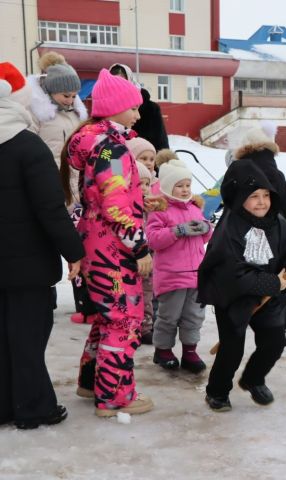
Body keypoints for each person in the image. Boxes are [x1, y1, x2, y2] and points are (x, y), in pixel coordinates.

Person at [61, 68, 154, 416]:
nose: (138, 114)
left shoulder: (97, 144)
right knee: (124, 320)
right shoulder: (111, 150)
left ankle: (90, 382)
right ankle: (114, 396)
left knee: (106, 318)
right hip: (113, 250)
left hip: (96, 244)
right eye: (133, 107)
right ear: (115, 108)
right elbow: (117, 207)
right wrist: (140, 246)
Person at [0, 61, 85, 429]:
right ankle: (34, 407)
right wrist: (75, 252)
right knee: (28, 338)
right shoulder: (27, 145)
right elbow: (50, 208)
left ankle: (5, 405)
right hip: (27, 265)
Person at [198, 160, 286, 412]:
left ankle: (254, 378)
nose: (261, 202)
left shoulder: (277, 222)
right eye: (253, 196)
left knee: (275, 341)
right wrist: (273, 282)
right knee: (232, 348)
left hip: (271, 296)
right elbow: (231, 272)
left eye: (266, 195)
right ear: (239, 197)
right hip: (235, 297)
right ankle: (217, 391)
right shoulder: (229, 228)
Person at [27, 52, 92, 324]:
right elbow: (29, 147)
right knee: (46, 237)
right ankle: (47, 289)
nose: (71, 99)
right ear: (51, 91)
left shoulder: (75, 114)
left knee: (76, 241)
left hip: (74, 184)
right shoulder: (36, 114)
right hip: (47, 183)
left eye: (74, 95)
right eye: (65, 95)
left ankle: (85, 300)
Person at [146, 159, 212, 372]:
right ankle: (163, 350)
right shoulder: (160, 210)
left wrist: (206, 228)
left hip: (196, 274)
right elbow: (154, 239)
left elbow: (202, 239)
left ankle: (190, 351)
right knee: (169, 316)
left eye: (187, 185)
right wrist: (177, 231)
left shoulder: (194, 208)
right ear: (167, 187)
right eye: (180, 186)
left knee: (194, 316)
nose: (185, 190)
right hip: (172, 275)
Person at [108, 63, 169, 151]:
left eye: (135, 109)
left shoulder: (151, 109)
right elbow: (114, 159)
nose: (138, 116)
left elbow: (161, 145)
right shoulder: (104, 120)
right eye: (115, 84)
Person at [135, 160, 159, 345]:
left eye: (147, 184)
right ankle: (132, 327)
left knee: (147, 293)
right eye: (139, 183)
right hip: (130, 260)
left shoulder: (152, 206)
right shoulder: (125, 208)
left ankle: (145, 327)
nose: (143, 188)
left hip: (149, 260)